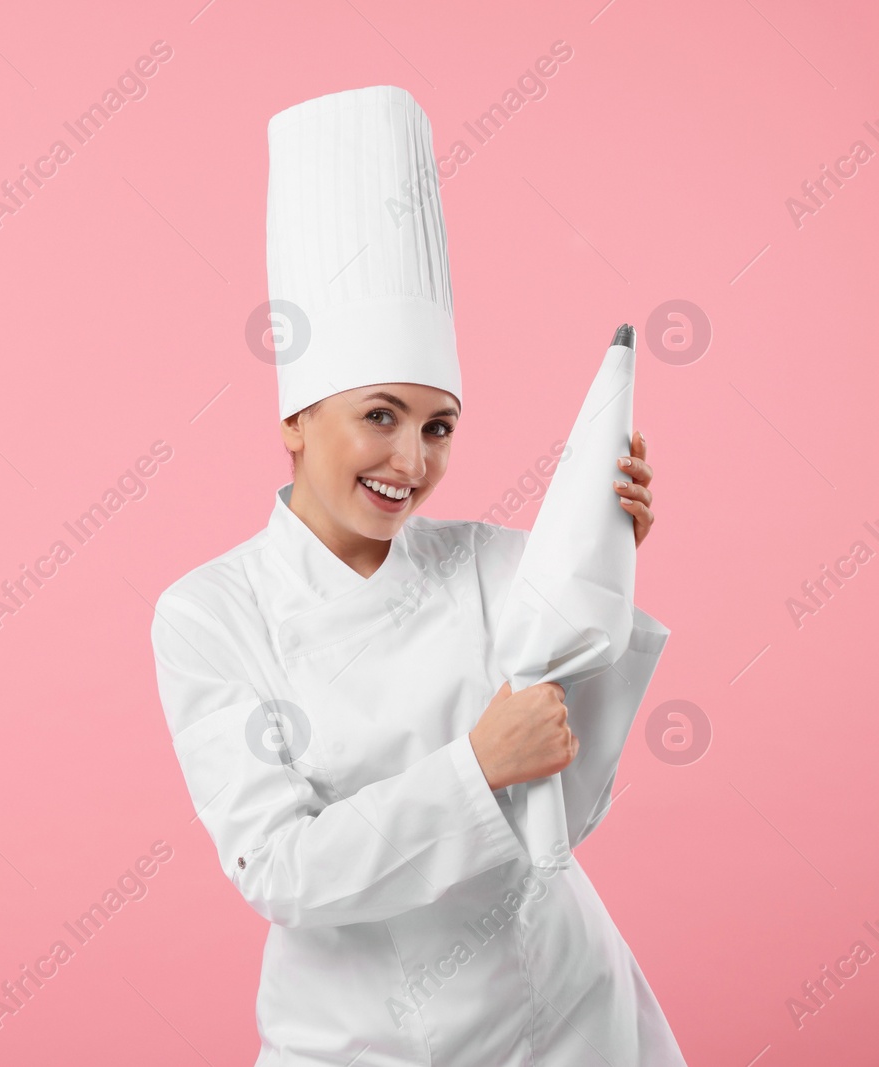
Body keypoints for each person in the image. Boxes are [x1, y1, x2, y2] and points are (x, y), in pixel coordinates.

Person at [149, 86, 685, 1066]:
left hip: (561, 1011)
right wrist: (475, 763)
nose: (411, 458)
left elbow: (567, 813)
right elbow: (281, 866)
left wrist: (607, 552)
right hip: (353, 1041)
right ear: (295, 418)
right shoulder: (211, 613)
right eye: (381, 415)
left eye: (438, 426)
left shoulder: (487, 560)